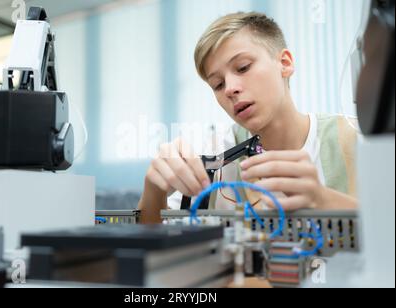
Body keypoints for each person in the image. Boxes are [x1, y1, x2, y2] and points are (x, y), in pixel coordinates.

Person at [138, 12, 358, 224]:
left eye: (243, 68)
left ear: (285, 63)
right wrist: (154, 191)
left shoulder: (357, 139)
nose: (230, 89)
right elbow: (151, 244)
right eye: (218, 84)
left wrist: (323, 199)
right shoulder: (216, 155)